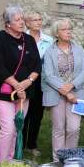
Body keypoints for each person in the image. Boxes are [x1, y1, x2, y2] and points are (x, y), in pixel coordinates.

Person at [0, 5, 41, 165]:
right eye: (17, 20)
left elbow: (37, 65)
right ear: (8, 24)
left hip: (24, 92)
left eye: (21, 19)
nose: (21, 22)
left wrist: (28, 81)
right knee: (8, 129)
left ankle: (11, 160)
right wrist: (17, 85)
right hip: (3, 91)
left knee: (17, 128)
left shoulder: (29, 39)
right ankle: (1, 164)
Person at [42, 18, 84, 161]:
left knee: (74, 128)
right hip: (56, 94)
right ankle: (58, 161)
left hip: (77, 92)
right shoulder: (50, 51)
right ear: (56, 33)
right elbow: (49, 76)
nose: (68, 32)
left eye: (69, 29)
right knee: (58, 129)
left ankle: (70, 159)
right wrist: (66, 92)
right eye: (64, 29)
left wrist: (73, 85)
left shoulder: (78, 48)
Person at [22, 11, 53, 157]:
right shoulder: (22, 39)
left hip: (42, 79)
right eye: (34, 20)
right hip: (25, 79)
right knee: (24, 112)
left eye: (40, 19)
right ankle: (20, 143)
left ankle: (32, 144)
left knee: (37, 113)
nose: (38, 22)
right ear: (27, 23)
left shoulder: (48, 40)